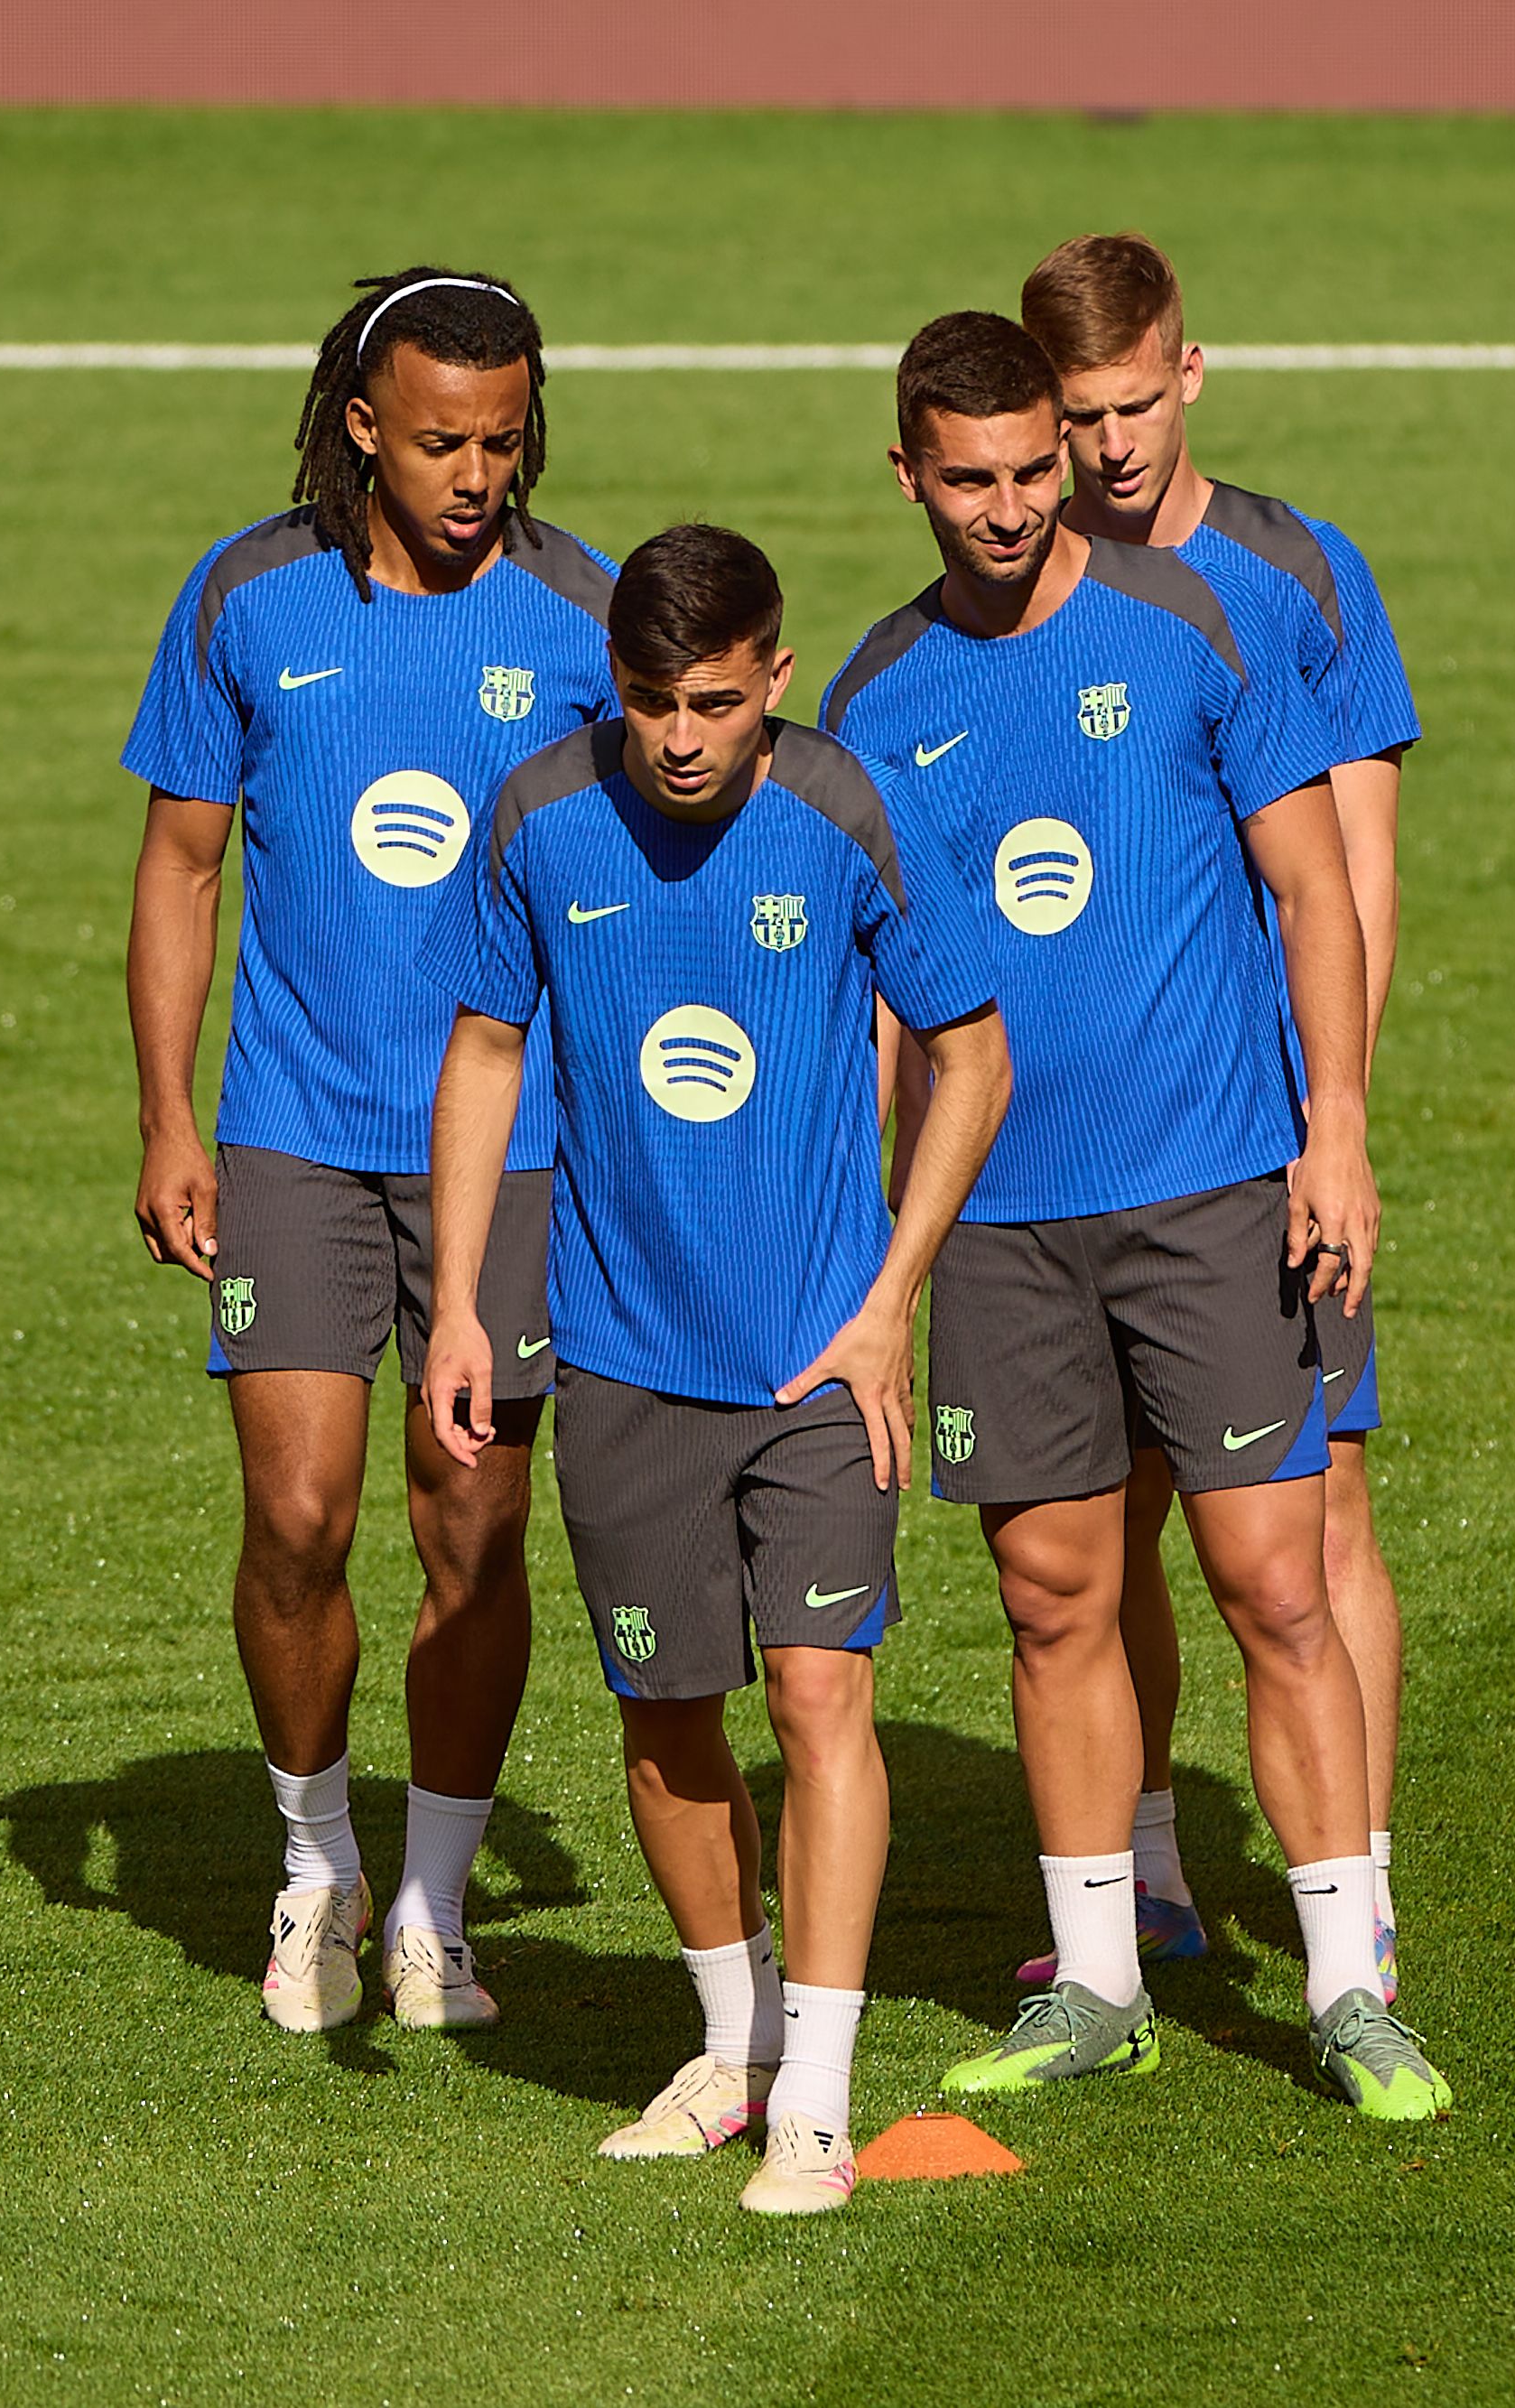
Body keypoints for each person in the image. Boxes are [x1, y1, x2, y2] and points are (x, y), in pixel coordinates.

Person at [820, 311, 1451, 2118]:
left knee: (1273, 1579)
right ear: (908, 473)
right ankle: (1095, 1971)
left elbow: (1313, 889)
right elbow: (874, 1008)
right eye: (973, 477)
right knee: (1047, 1591)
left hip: (1207, 1186)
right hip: (1003, 1222)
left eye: (1035, 468)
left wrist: (1332, 1126)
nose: (1015, 504)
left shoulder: (1200, 621)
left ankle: (1348, 1981)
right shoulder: (874, 698)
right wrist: (864, 1259)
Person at [421, 523, 1008, 2211]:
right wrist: (462, 1300)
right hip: (613, 1354)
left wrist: (892, 1293)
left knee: (822, 1698)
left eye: (714, 703)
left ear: (778, 677)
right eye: (652, 703)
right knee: (669, 1720)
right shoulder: (540, 816)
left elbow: (971, 1053)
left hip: (814, 1363)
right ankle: (733, 2046)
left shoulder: (841, 812)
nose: (681, 739)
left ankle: (816, 2090)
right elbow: (481, 1046)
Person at [120, 266, 614, 2035]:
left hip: (517, 1150)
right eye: (435, 442)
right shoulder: (249, 596)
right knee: (299, 1515)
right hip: (296, 1133)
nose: (473, 474)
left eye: (499, 440)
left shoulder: (584, 616)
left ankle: (432, 1900)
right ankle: (317, 1855)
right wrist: (172, 1115)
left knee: (473, 1526)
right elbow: (183, 863)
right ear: (358, 424)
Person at [1005, 230, 1427, 2000]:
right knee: (1108, 1528)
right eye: (1075, 415)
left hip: (1256, 1147)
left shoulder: (1292, 574)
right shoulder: (1013, 582)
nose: (1109, 447)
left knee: (1310, 1523)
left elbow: (1357, 875)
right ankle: (1153, 1872)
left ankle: (1363, 1893)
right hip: (1081, 1163)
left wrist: (1330, 1116)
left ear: (1192, 369)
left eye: (1133, 401)